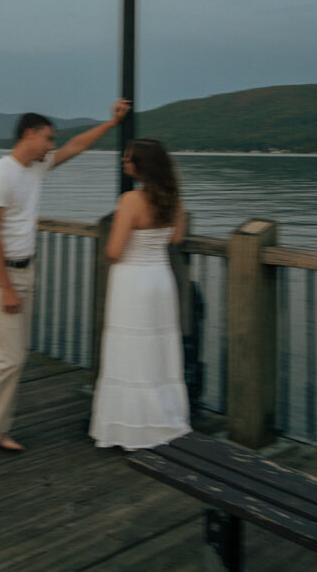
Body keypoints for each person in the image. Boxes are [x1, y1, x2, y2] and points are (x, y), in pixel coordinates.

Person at [0, 99, 131, 464]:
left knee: (16, 356)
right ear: (29, 134)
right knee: (4, 359)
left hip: (25, 269)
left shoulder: (36, 168)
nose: (52, 145)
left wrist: (111, 123)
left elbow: (77, 146)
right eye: (48, 138)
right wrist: (6, 286)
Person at [89, 138, 192, 450]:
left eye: (128, 160)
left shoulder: (131, 200)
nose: (124, 164)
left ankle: (130, 426)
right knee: (158, 350)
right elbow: (175, 238)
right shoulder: (173, 198)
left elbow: (114, 250)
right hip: (160, 280)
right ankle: (162, 417)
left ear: (142, 165)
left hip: (132, 283)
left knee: (130, 351)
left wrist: (114, 249)